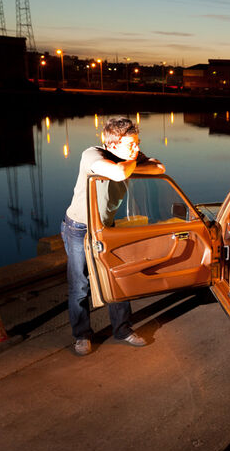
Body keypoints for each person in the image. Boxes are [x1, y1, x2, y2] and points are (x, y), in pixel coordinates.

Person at [61, 116, 165, 356]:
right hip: (78, 228)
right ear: (112, 145)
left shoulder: (128, 155)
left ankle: (122, 329)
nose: (137, 148)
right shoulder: (92, 155)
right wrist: (128, 165)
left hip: (106, 226)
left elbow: (160, 167)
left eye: (137, 143)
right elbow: (117, 174)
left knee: (117, 278)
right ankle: (82, 335)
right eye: (131, 144)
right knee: (80, 285)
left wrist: (130, 161)